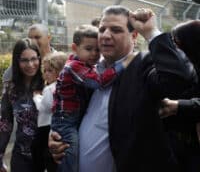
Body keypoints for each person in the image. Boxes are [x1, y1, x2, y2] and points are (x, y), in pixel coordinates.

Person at [48, 6, 197, 172]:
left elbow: (179, 79)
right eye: (102, 29)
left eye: (116, 30)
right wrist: (57, 137)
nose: (105, 35)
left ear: (133, 36)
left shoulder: (144, 66)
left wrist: (151, 32)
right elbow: (66, 108)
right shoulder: (89, 71)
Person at [51, 24, 133, 172]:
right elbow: (98, 82)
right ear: (75, 48)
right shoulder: (74, 66)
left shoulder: (88, 65)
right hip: (66, 120)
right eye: (89, 49)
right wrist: (124, 64)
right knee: (69, 153)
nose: (94, 54)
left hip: (73, 117)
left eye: (97, 49)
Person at [159, 20, 200, 172]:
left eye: (177, 42)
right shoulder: (176, 69)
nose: (173, 48)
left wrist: (178, 106)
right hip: (171, 145)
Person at [0, 38, 44, 172]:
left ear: (39, 58)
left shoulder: (49, 83)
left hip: (47, 156)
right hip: (21, 157)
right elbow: (5, 124)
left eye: (34, 59)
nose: (30, 64)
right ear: (16, 61)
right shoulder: (10, 88)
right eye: (24, 60)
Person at [31, 51, 68, 172]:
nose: (46, 74)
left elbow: (43, 107)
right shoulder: (65, 86)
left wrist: (36, 97)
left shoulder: (49, 89)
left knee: (38, 151)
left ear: (60, 71)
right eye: (45, 70)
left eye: (50, 70)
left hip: (45, 126)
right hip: (58, 126)